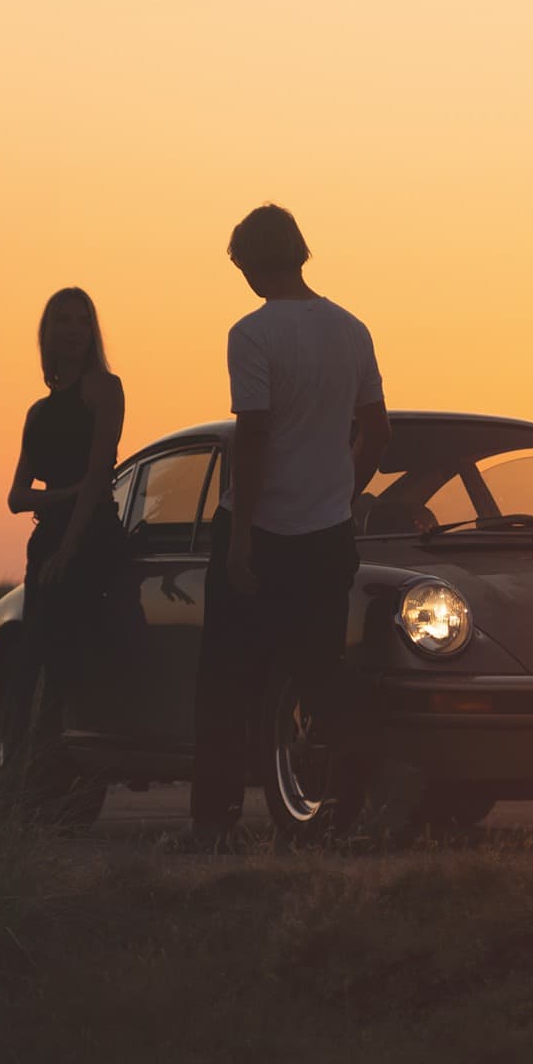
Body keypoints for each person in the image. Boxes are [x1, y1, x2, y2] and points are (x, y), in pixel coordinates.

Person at [189, 205, 390, 842]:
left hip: (263, 533)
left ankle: (214, 822)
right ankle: (349, 805)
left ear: (250, 263)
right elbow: (377, 429)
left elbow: (252, 436)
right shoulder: (352, 330)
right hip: (326, 535)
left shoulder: (251, 334)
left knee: (226, 680)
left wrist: (241, 537)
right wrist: (341, 493)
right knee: (320, 672)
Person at [7, 287, 140, 744]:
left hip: (93, 538)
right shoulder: (37, 412)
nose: (74, 330)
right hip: (48, 541)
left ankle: (58, 766)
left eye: (84, 321)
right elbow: (16, 496)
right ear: (47, 332)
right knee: (29, 660)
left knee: (70, 664)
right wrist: (66, 497)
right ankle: (17, 771)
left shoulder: (105, 389)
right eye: (63, 320)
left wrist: (68, 549)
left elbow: (99, 477)